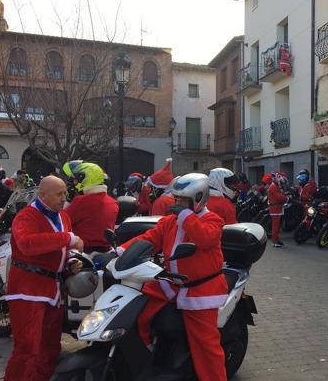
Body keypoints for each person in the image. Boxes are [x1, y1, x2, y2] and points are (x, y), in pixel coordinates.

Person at [117, 173, 227, 381]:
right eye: (176, 199)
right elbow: (149, 239)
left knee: (206, 347)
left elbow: (203, 238)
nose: (177, 204)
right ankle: (150, 359)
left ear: (199, 198)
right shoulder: (170, 222)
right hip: (171, 284)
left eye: (183, 200)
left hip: (200, 291)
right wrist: (119, 252)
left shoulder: (213, 220)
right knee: (137, 311)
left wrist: (185, 215)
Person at [4, 176, 84, 381]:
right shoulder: (26, 217)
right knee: (28, 348)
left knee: (50, 347)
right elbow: (27, 244)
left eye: (65, 192)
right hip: (27, 291)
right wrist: (68, 238)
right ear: (43, 195)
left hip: (53, 290)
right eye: (59, 194)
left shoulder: (63, 216)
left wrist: (70, 261)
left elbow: (64, 249)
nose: (64, 197)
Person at [65, 163, 119, 253]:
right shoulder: (113, 202)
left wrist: (68, 200)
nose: (75, 183)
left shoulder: (81, 201)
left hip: (83, 252)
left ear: (87, 178)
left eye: (78, 179)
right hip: (106, 251)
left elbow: (63, 221)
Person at [268, 172, 288, 248]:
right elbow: (279, 197)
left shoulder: (275, 186)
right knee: (275, 226)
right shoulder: (273, 187)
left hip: (277, 208)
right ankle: (275, 241)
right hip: (275, 209)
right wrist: (286, 198)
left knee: (277, 226)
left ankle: (277, 239)